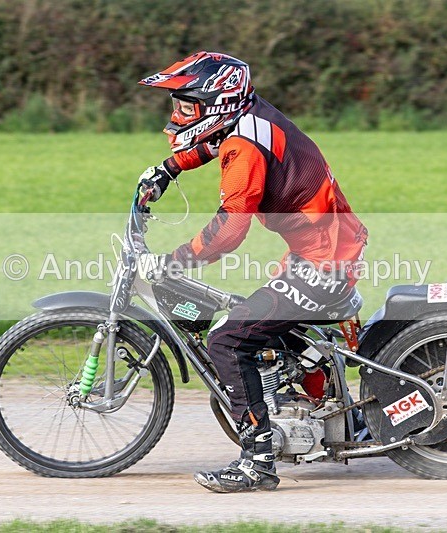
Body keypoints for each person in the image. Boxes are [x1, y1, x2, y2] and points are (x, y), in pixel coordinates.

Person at [137, 51, 367, 493]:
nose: (177, 115)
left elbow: (228, 232)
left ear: (218, 103)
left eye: (187, 106)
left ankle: (258, 460)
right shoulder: (247, 116)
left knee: (228, 336)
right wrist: (168, 169)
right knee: (261, 325)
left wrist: (170, 262)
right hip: (322, 246)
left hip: (324, 259)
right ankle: (321, 404)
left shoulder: (244, 149)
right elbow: (210, 140)